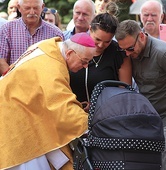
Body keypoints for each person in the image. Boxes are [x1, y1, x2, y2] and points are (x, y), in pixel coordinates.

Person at [0, 33, 96, 170]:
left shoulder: (48, 47)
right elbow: (63, 110)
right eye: (84, 61)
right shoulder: (51, 67)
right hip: (16, 119)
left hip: (22, 109)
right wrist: (93, 124)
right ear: (69, 53)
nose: (86, 66)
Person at [115, 19, 166, 170]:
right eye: (123, 50)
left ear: (142, 36)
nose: (127, 53)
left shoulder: (163, 53)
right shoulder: (131, 53)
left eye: (130, 48)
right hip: (147, 117)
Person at [70, 13, 132, 112]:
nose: (100, 45)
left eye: (107, 41)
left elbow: (125, 92)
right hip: (74, 111)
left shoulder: (119, 53)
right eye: (97, 39)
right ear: (90, 29)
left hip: (107, 112)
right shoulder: (75, 46)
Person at [0, 0, 63, 75]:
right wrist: (15, 81)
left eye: (36, 8)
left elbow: (59, 64)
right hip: (14, 83)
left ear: (42, 7)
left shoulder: (55, 33)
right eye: (27, 8)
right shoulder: (6, 29)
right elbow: (1, 61)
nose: (32, 12)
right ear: (19, 8)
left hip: (44, 84)